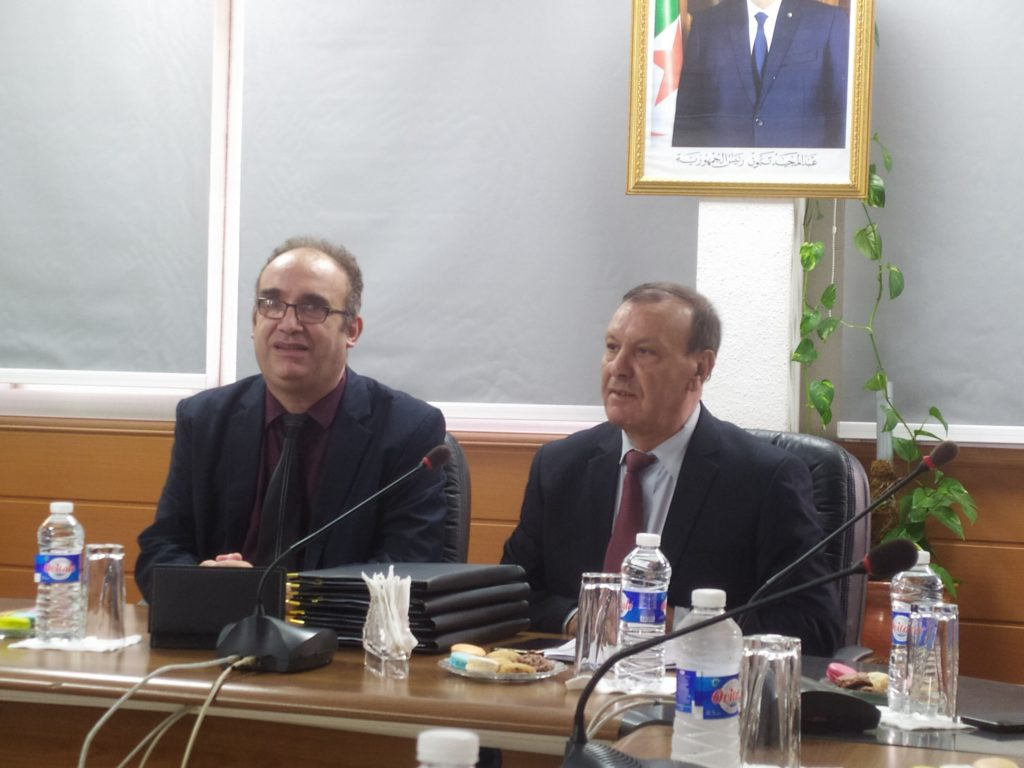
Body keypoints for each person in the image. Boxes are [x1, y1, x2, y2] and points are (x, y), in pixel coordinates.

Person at [501, 283, 843, 656]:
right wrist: (582, 618)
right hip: (568, 682)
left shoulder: (764, 479)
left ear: (700, 368)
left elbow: (813, 625)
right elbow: (511, 595)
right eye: (612, 347)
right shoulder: (560, 466)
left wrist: (666, 624)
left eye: (644, 352)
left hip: (697, 686)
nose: (618, 368)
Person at [136, 236, 447, 601]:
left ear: (351, 331)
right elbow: (160, 550)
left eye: (313, 307)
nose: (288, 323)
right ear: (254, 321)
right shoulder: (204, 419)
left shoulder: (408, 429)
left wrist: (281, 599)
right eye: (271, 304)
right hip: (220, 628)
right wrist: (206, 582)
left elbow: (407, 569)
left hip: (340, 633)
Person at [672, 0, 849, 148]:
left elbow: (842, 114)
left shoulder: (828, 21)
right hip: (725, 173)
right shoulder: (707, 24)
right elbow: (687, 117)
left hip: (800, 172)